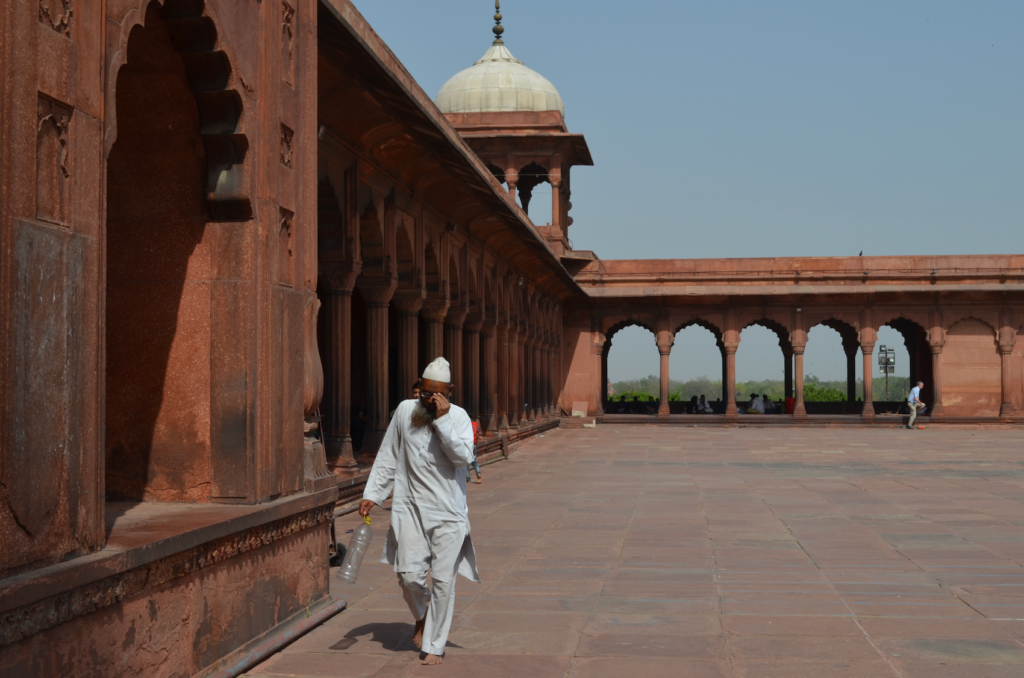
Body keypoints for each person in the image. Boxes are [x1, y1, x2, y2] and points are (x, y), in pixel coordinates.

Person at [359, 357, 478, 665]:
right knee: (409, 576)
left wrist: (442, 420)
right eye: (426, 393)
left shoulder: (460, 417)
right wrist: (373, 493)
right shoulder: (404, 411)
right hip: (410, 509)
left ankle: (434, 646)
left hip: (448, 513)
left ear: (449, 391)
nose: (430, 399)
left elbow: (462, 457)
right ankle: (423, 615)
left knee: (442, 581)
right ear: (419, 388)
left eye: (437, 394)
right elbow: (388, 453)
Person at [466, 420, 482, 484]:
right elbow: (477, 434)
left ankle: (468, 479)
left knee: (466, 461)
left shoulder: (466, 424)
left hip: (467, 444)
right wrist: (476, 442)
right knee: (474, 460)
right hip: (473, 443)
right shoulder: (476, 424)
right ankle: (478, 473)